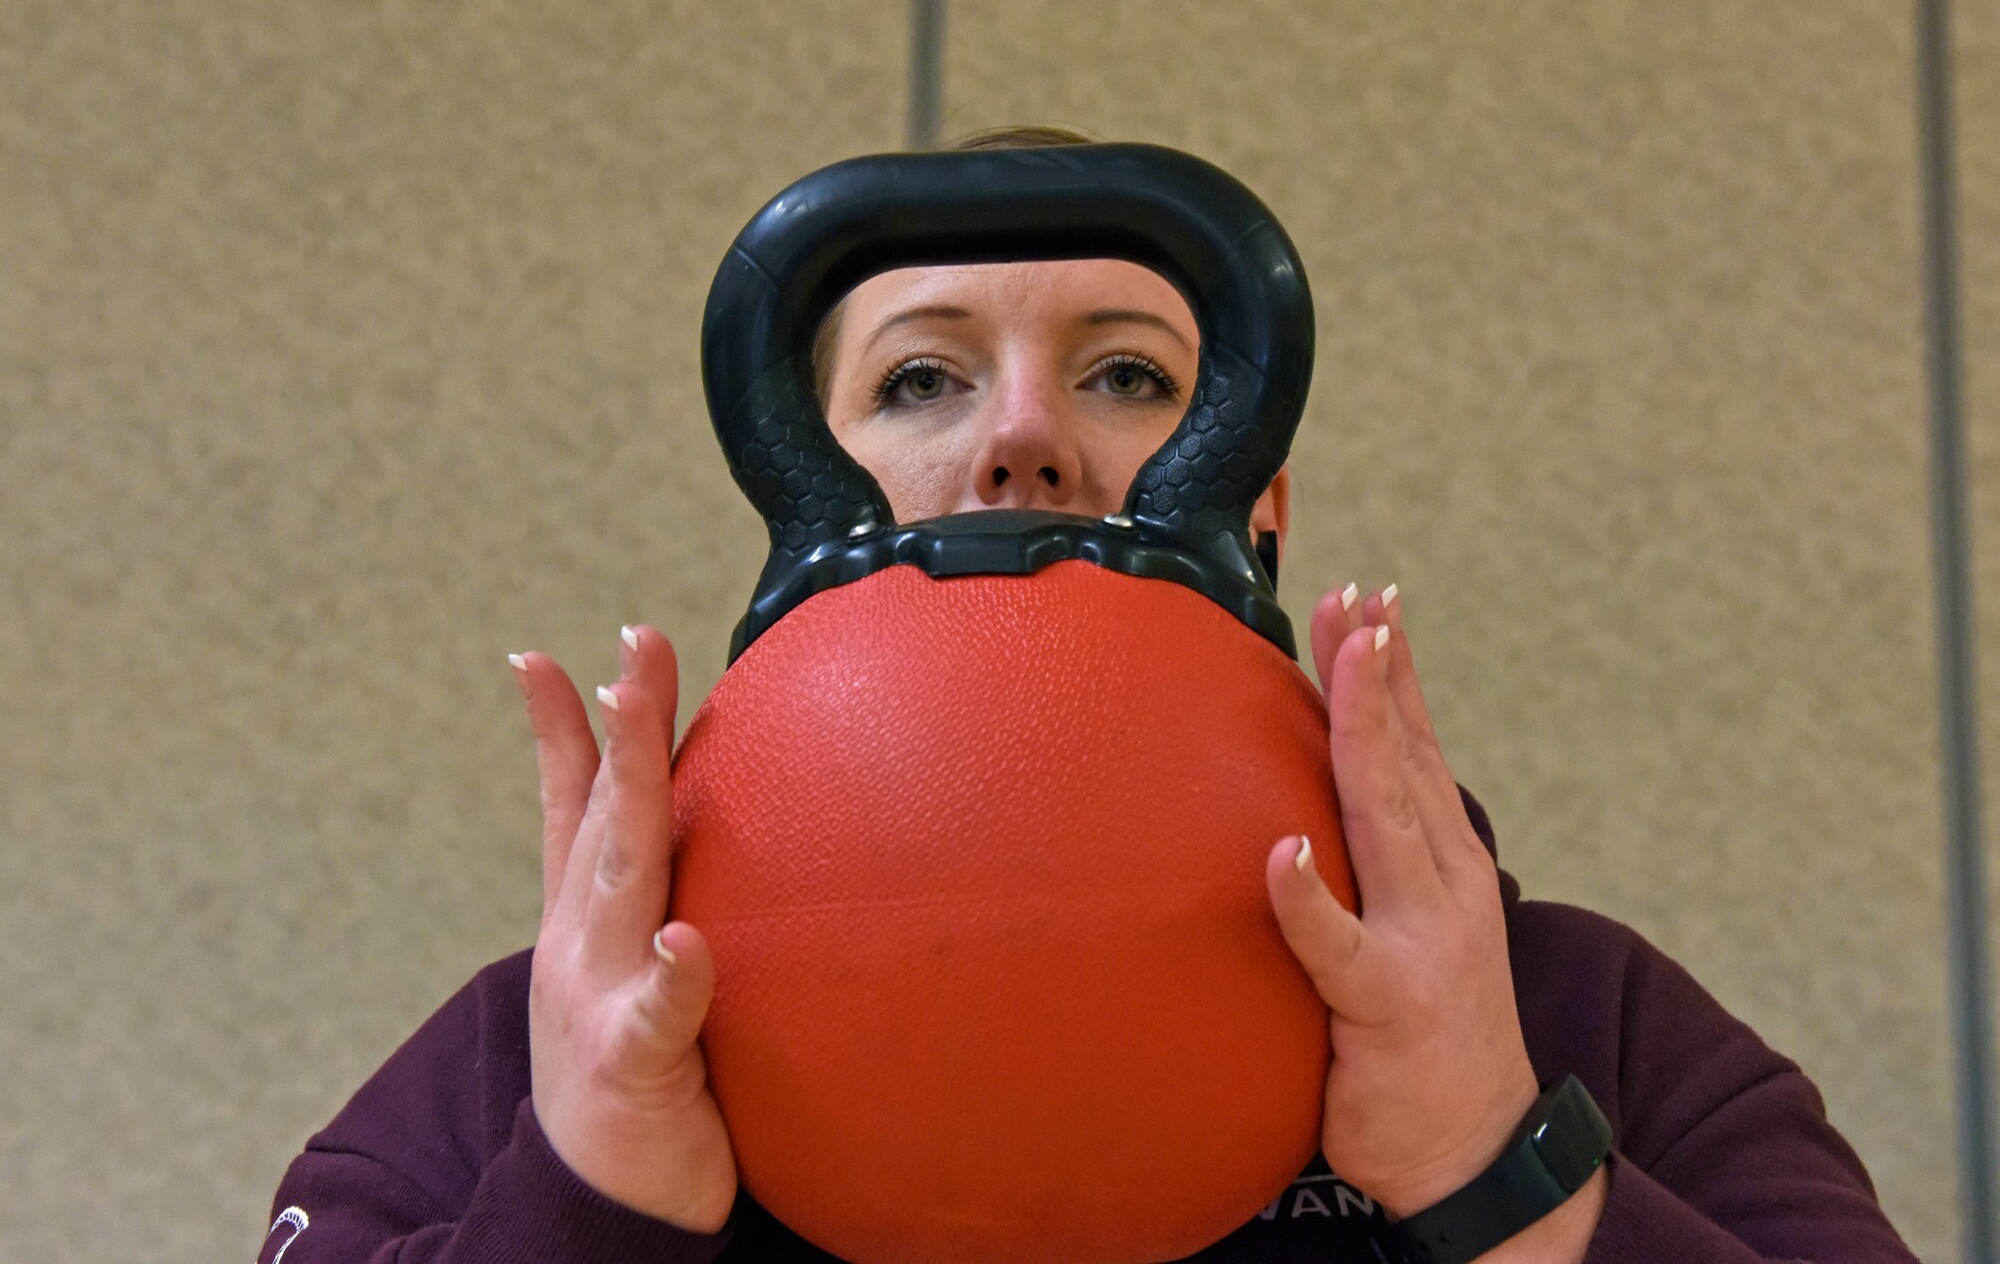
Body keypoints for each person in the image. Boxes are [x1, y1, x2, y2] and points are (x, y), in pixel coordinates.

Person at [258, 128, 1919, 1263]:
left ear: (1258, 497)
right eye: (922, 376)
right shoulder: (533, 1055)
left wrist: (1503, 1175)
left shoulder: (1575, 1018)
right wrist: (582, 1197)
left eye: (1130, 373)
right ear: (791, 477)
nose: (1021, 439)